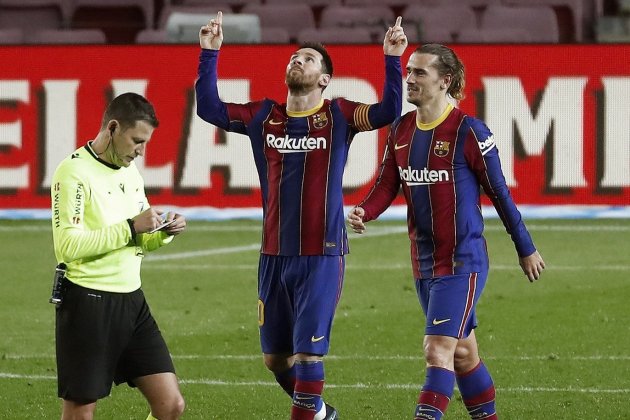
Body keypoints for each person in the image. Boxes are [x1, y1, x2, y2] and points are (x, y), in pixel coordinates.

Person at [195, 11, 407, 420]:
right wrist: (209, 53)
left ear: (324, 78)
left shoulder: (339, 115)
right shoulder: (263, 116)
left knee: (308, 354)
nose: (298, 60)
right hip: (273, 255)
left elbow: (386, 113)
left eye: (308, 58)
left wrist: (392, 59)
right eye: (295, 56)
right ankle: (322, 413)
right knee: (276, 360)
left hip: (321, 255)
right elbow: (210, 109)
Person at [346, 44, 546, 420]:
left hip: (462, 261)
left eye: (420, 72)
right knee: (463, 353)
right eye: (408, 71)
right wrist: (364, 211)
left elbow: (500, 193)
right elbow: (387, 184)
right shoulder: (401, 129)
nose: (410, 79)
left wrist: (526, 248)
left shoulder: (468, 131)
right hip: (423, 263)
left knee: (436, 349)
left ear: (446, 81)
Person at [50, 92, 186, 420]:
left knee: (171, 405)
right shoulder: (73, 173)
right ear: (112, 127)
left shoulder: (130, 173)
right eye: (137, 140)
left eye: (146, 143)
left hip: (132, 302)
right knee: (81, 411)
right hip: (88, 302)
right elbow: (68, 246)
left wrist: (163, 233)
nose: (141, 150)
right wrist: (130, 227)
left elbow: (139, 237)